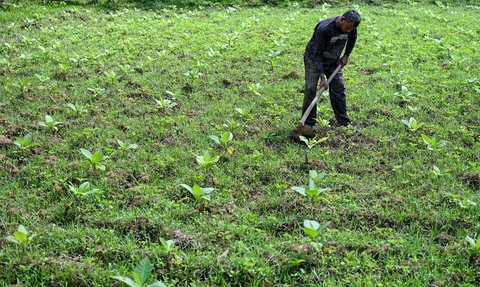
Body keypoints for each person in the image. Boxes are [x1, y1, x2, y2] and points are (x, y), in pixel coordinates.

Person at [299, 10, 361, 137]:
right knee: (311, 88)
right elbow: (317, 55)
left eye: (351, 29)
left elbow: (352, 38)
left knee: (339, 88)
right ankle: (307, 123)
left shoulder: (351, 27)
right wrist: (322, 77)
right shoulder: (324, 29)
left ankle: (344, 122)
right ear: (342, 19)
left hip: (333, 61)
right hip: (314, 59)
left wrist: (346, 55)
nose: (349, 31)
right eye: (347, 28)